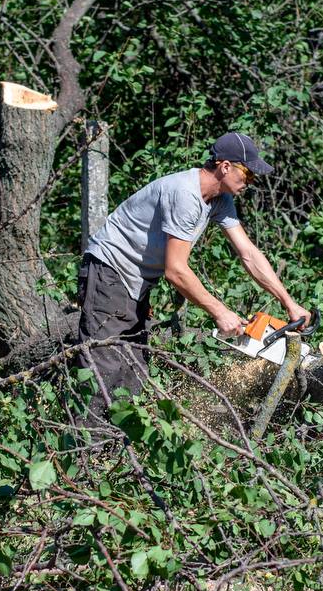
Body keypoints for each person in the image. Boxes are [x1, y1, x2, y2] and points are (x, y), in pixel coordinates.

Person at [78, 132, 311, 409]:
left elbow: (248, 254)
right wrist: (220, 311)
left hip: (135, 280)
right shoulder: (185, 194)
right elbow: (175, 271)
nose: (250, 183)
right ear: (225, 167)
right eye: (247, 175)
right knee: (104, 371)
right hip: (110, 271)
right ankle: (87, 447)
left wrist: (289, 303)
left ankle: (114, 448)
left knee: (132, 372)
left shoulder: (219, 200)